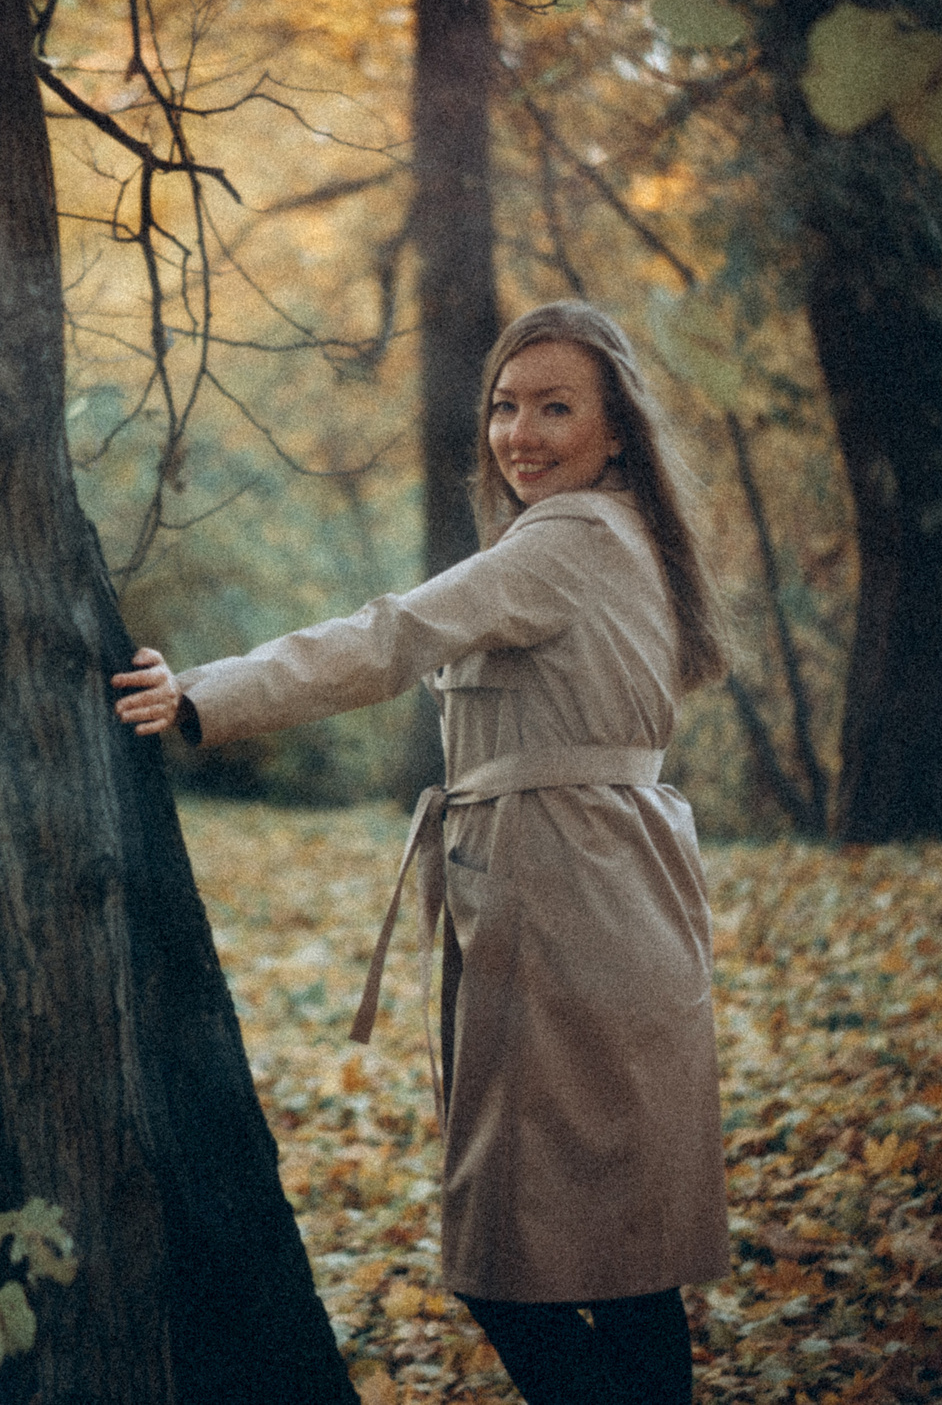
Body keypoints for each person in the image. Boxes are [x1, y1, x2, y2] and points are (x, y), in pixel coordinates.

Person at [114, 301, 730, 1405]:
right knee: (625, 1267)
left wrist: (201, 694)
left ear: (616, 429)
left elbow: (388, 636)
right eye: (503, 406)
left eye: (555, 407)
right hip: (611, 898)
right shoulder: (621, 531)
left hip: (568, 909)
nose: (520, 432)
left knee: (510, 1258)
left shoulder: (571, 539)